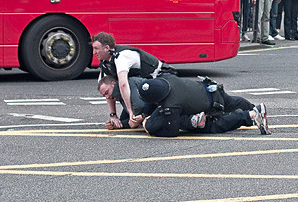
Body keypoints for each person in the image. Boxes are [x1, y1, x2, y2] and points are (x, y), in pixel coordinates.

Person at [97, 75, 270, 136]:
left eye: (106, 93)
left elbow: (171, 131)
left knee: (213, 126)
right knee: (233, 102)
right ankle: (254, 109)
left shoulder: (171, 105)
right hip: (210, 89)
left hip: (210, 105)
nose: (108, 97)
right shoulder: (166, 79)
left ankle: (251, 115)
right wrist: (142, 117)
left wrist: (149, 127)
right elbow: (150, 104)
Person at [91, 32, 174, 130]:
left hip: (162, 80)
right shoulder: (106, 64)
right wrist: (113, 116)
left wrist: (131, 112)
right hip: (144, 86)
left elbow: (123, 84)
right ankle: (140, 117)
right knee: (125, 121)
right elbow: (107, 90)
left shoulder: (121, 57)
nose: (94, 52)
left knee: (138, 115)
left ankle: (146, 116)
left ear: (107, 48)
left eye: (96, 48)